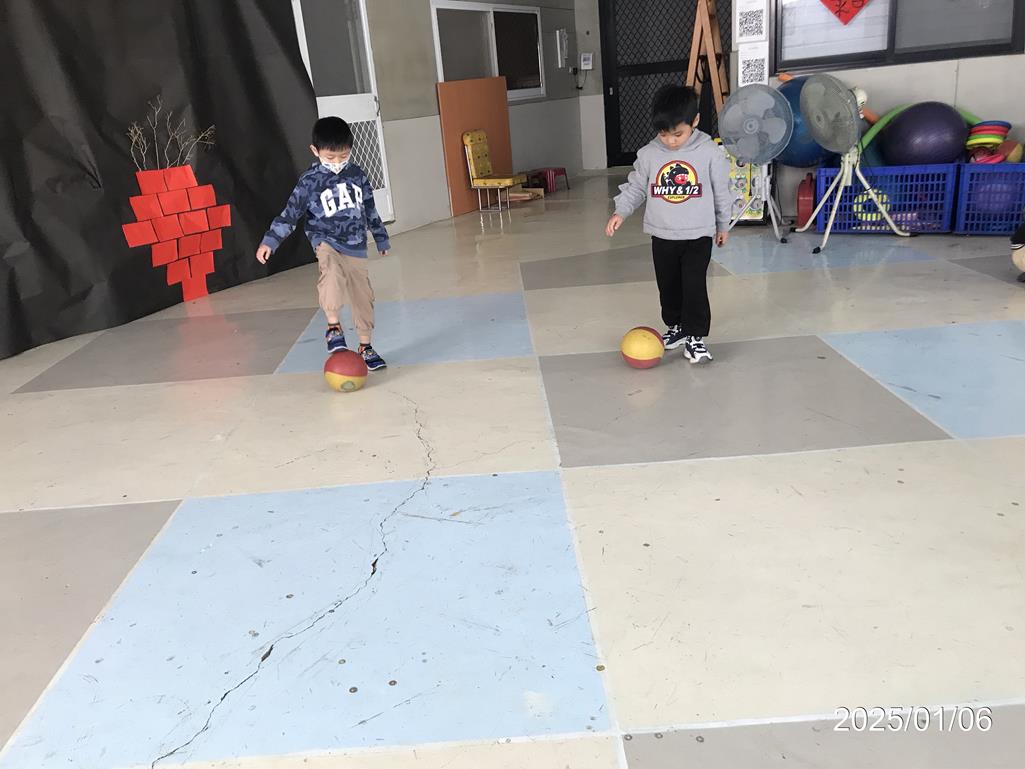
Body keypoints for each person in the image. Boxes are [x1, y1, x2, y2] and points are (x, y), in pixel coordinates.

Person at [605, 84, 731, 364]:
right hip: (662, 234)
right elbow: (637, 187)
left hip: (698, 235)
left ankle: (695, 337)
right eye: (664, 134)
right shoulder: (649, 154)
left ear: (695, 121)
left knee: (694, 285)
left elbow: (722, 191)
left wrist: (723, 225)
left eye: (678, 134)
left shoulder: (709, 152)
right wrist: (620, 212)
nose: (671, 141)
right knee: (668, 285)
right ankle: (676, 327)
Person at [256, 116, 390, 370]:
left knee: (363, 296)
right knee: (331, 274)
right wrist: (270, 241)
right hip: (325, 240)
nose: (337, 163)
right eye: (330, 157)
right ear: (315, 151)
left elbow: (370, 209)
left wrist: (380, 237)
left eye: (343, 156)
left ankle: (365, 346)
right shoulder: (310, 181)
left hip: (356, 245)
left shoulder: (358, 175)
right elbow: (290, 213)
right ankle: (333, 326)